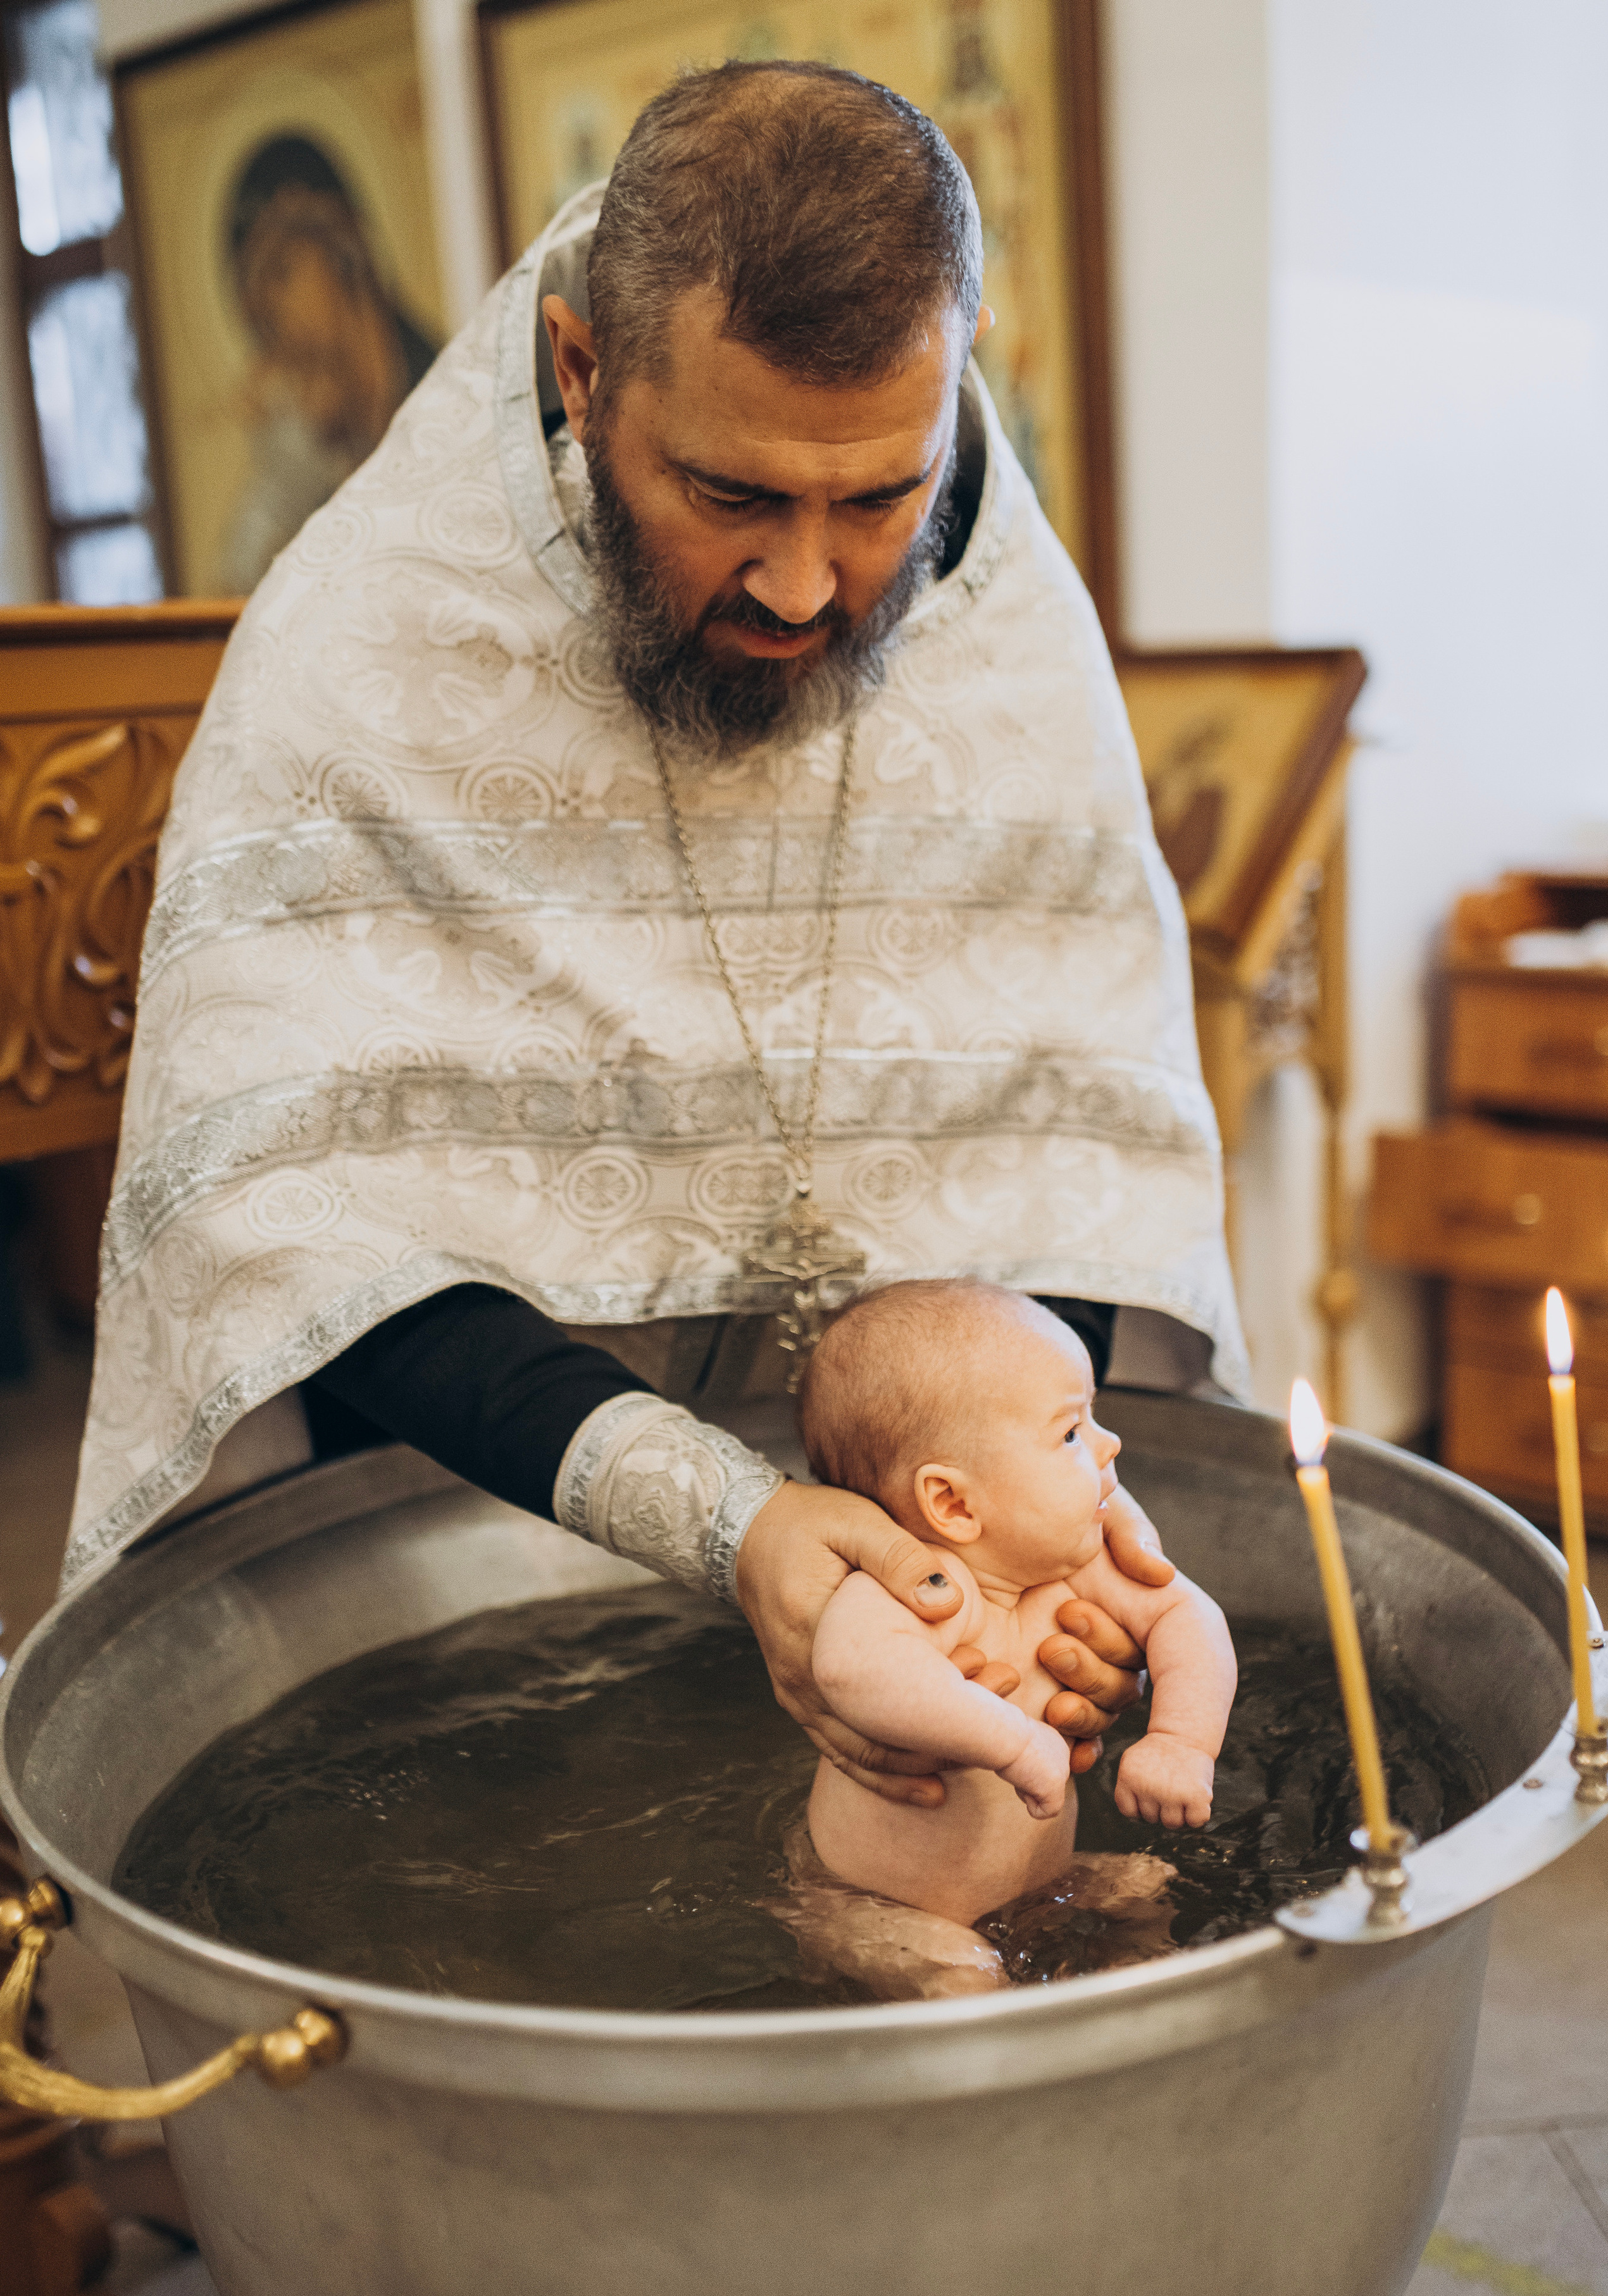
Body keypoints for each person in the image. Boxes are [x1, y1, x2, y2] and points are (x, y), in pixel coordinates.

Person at [70, 63, 1248, 1821]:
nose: (804, 586)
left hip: (936, 1589)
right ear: (581, 372)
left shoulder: (1003, 629)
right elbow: (292, 1219)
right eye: (731, 494)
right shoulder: (367, 642)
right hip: (480, 1566)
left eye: (877, 498)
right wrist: (727, 1519)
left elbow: (1069, 1135)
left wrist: (1021, 1519)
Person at [771, 1281, 1235, 1997]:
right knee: (964, 1973)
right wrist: (1013, 1744)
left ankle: (1135, 2027)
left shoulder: (1075, 1567)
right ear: (953, 1503)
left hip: (1042, 1887)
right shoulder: (921, 1588)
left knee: (1147, 1883)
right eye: (1071, 1433)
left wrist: (1180, 1741)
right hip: (867, 1906)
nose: (1110, 1444)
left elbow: (1190, 1617)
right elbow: (850, 1669)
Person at [215, 135, 438, 593]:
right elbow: (235, 582)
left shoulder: (444, 402)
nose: (274, 356)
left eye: (280, 273)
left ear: (346, 255)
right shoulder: (313, 458)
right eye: (260, 325)